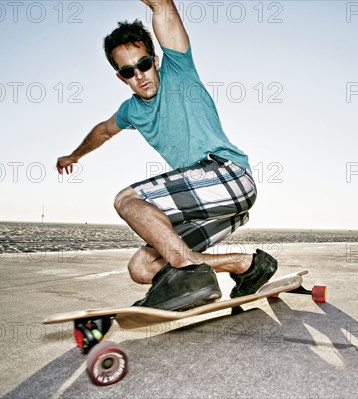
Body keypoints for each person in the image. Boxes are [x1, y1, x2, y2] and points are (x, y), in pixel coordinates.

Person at [56, 0, 277, 311]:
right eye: (129, 71)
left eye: (144, 64)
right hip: (213, 208)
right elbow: (103, 131)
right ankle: (247, 265)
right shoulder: (131, 110)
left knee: (125, 200)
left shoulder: (178, 69)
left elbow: (162, 7)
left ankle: (188, 271)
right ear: (121, 77)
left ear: (155, 60)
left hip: (230, 176)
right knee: (142, 268)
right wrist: (74, 156)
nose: (140, 75)